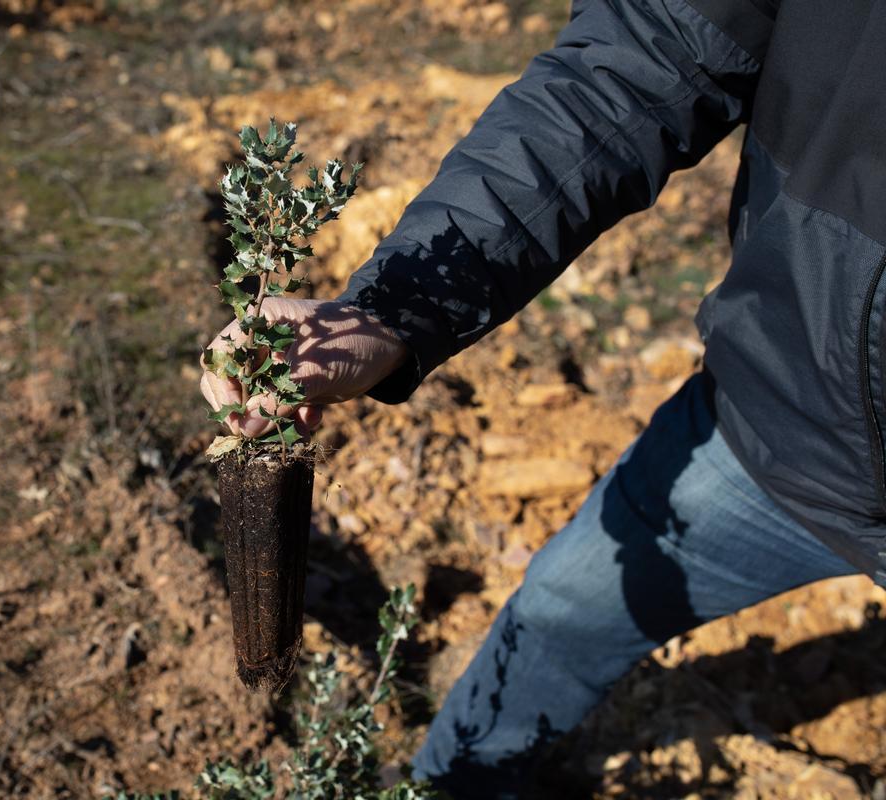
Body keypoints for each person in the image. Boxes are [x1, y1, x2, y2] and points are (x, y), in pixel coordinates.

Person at [200, 0, 886, 795]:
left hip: (796, 409)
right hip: (787, 420)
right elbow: (635, 65)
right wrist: (392, 310)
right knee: (561, 610)